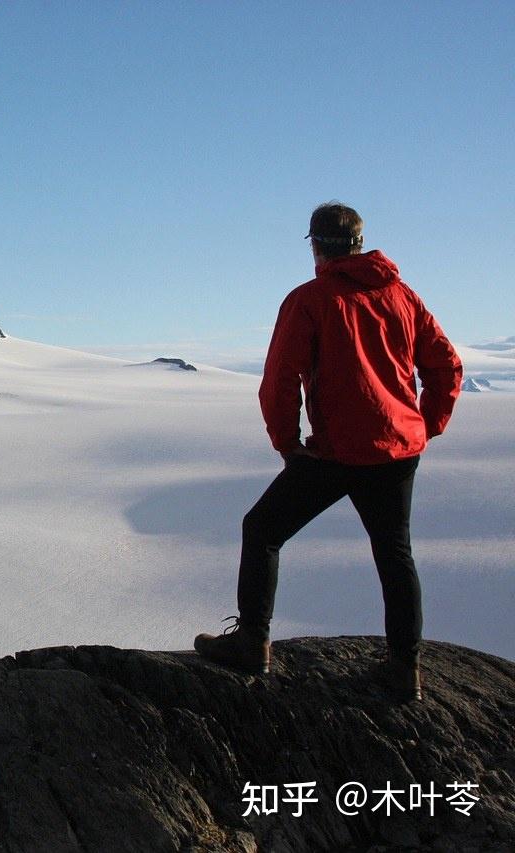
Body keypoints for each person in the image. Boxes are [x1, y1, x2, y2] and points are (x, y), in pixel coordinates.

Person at [194, 202, 463, 701]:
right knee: (395, 553)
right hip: (398, 450)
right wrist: (425, 424)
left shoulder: (310, 300)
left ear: (316, 246)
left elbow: (279, 381)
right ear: (359, 243)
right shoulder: (402, 296)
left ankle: (254, 641)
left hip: (338, 452)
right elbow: (446, 366)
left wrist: (288, 445)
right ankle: (405, 672)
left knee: (263, 529)